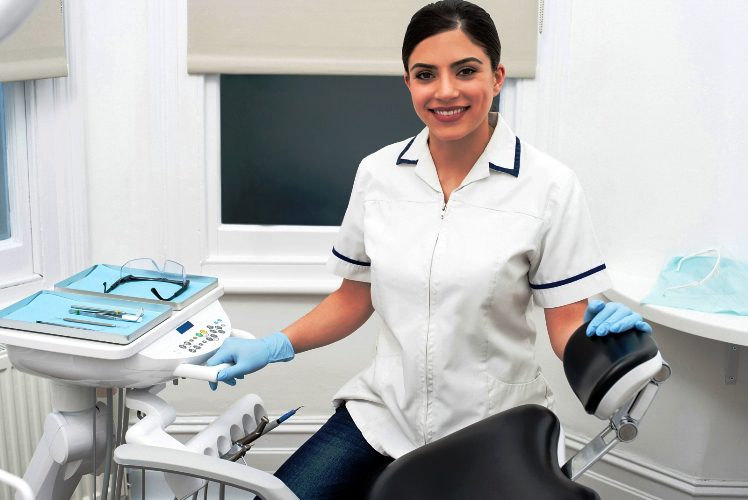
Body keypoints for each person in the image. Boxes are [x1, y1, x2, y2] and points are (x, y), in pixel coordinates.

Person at [207, 1, 652, 498]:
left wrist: (604, 338)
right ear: (408, 83)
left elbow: (565, 324)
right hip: (381, 414)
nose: (445, 91)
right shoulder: (377, 175)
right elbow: (354, 297)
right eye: (426, 74)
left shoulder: (548, 187)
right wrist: (272, 346)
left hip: (490, 427)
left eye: (466, 71)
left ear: (498, 76)